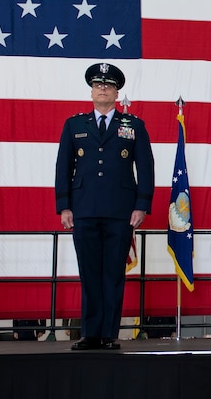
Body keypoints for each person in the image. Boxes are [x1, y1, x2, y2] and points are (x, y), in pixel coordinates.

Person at [55, 63, 155, 350]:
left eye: (108, 85)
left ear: (116, 92)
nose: (102, 88)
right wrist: (64, 206)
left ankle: (109, 334)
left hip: (120, 211)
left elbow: (145, 166)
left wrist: (141, 205)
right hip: (83, 209)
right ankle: (90, 333)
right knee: (89, 274)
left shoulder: (133, 125)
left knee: (113, 273)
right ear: (91, 91)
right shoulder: (75, 124)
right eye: (98, 84)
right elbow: (64, 165)